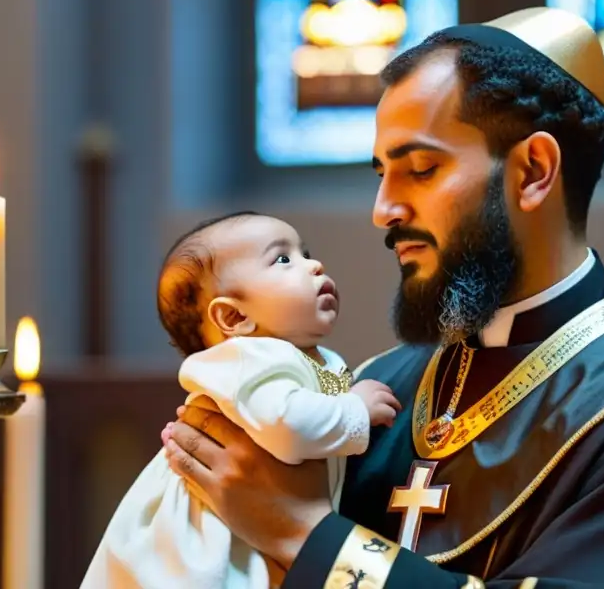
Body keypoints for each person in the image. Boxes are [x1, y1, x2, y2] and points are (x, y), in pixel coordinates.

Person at [161, 7, 604, 588]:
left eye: (421, 170)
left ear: (533, 171)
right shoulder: (373, 391)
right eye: (382, 174)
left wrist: (303, 534)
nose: (383, 211)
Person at [81, 212, 401, 589]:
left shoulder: (301, 357)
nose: (314, 265)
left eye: (305, 253)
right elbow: (289, 426)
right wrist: (356, 409)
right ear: (233, 316)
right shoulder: (248, 359)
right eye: (283, 259)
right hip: (202, 540)